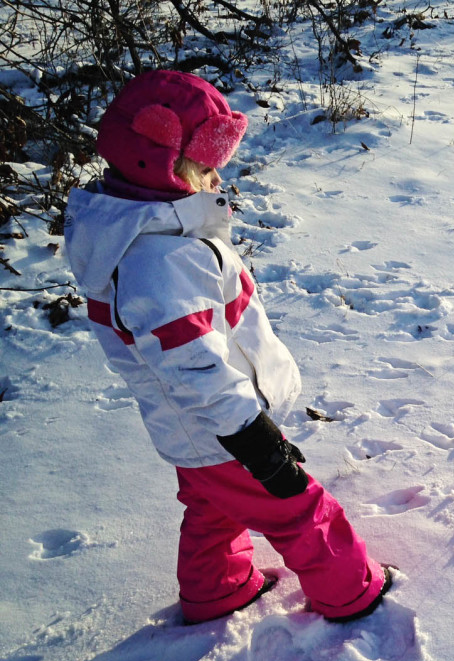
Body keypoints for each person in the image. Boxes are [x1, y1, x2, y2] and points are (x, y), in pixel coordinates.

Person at [64, 70, 392, 624]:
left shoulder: (147, 229)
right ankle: (350, 592)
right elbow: (193, 365)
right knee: (296, 507)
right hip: (223, 425)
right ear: (163, 166)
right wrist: (258, 443)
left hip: (196, 428)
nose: (218, 176)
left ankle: (217, 588)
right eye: (206, 165)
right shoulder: (157, 260)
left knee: (212, 507)